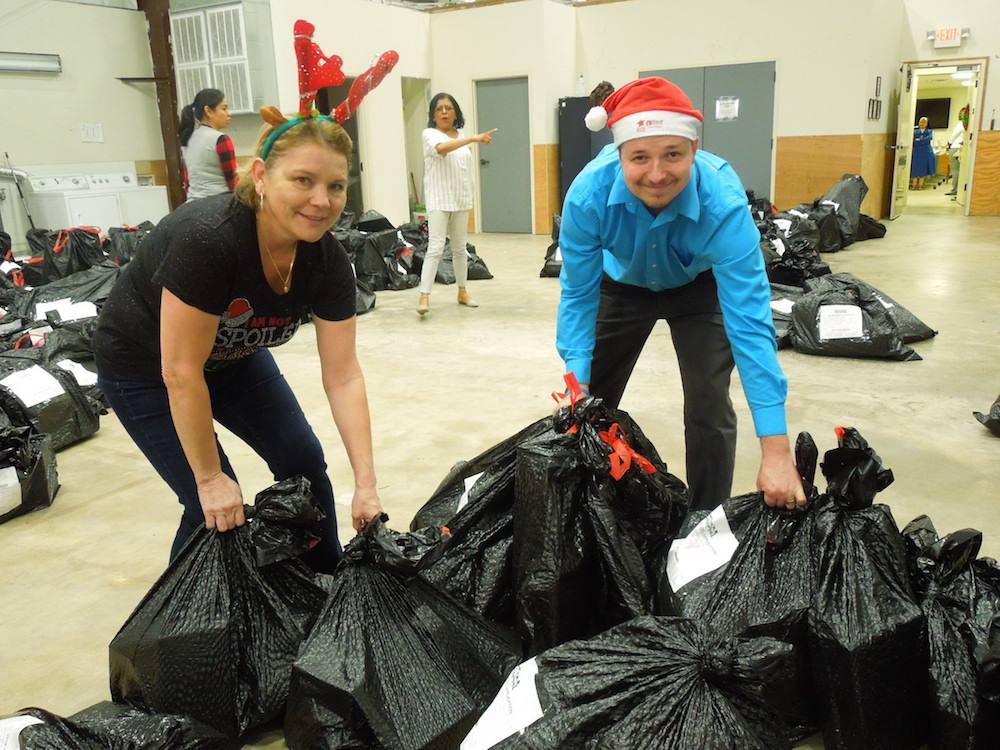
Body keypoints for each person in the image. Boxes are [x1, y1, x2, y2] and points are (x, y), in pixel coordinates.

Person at [94, 112, 383, 573]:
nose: (320, 201)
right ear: (262, 176)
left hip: (234, 358)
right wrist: (210, 478)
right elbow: (181, 371)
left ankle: (329, 587)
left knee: (304, 462)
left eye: (335, 186)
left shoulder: (326, 260)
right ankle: (176, 636)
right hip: (145, 370)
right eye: (303, 180)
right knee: (210, 504)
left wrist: (366, 484)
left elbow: (344, 376)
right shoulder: (210, 240)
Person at [555, 77, 806, 513]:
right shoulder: (587, 197)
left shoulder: (723, 204)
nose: (656, 174)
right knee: (588, 407)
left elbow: (751, 327)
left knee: (709, 404)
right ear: (619, 155)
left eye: (673, 154)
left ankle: (706, 520)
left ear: (695, 149)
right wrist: (576, 386)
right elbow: (577, 296)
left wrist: (777, 451)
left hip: (698, 288)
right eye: (640, 157)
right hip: (623, 286)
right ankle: (588, 511)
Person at [416, 92, 496, 315]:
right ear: (433, 114)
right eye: (439, 108)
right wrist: (473, 139)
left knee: (460, 249)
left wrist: (470, 140)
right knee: (435, 247)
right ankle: (424, 295)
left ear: (455, 113)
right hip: (439, 199)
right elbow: (442, 149)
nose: (444, 112)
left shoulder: (459, 133)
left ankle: (462, 292)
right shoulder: (429, 134)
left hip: (460, 199)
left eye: (448, 108)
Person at [179, 88, 238, 199]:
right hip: (219, 204)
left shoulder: (188, 138)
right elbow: (233, 181)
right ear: (209, 111)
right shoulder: (221, 139)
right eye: (224, 109)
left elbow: (188, 180)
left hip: (191, 204)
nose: (229, 114)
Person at [945, 107, 969, 197]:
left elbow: (953, 136)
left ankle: (955, 189)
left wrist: (948, 143)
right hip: (962, 148)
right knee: (960, 170)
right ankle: (958, 190)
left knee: (955, 170)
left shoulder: (960, 125)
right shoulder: (968, 126)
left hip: (955, 148)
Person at [908, 116, 936, 191]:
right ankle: (914, 185)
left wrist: (920, 140)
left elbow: (928, 139)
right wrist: (921, 140)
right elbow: (913, 140)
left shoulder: (929, 131)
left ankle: (920, 185)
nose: (922, 123)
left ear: (927, 123)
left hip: (925, 152)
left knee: (923, 169)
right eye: (920, 122)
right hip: (916, 151)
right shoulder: (915, 131)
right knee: (915, 168)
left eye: (924, 122)